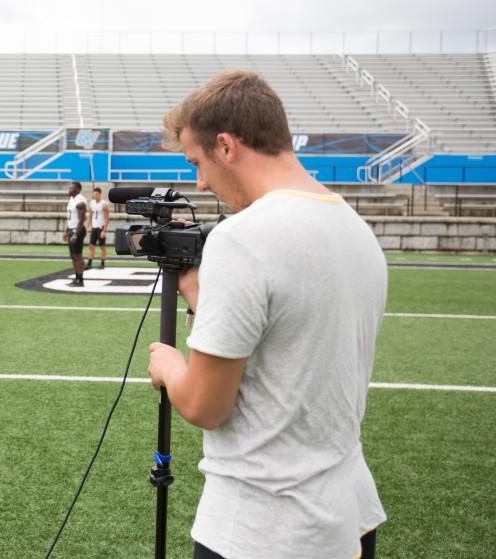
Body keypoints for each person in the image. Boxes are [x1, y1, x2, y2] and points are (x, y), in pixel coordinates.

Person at [146, 71, 386, 559]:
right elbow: (286, 343)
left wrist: (170, 367)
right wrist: (196, 290)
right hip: (348, 514)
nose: (200, 181)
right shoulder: (353, 226)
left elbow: (205, 407)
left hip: (263, 527)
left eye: (197, 162)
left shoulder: (243, 237)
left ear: (227, 147)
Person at [63, 181, 87, 287]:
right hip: (71, 229)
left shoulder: (80, 201)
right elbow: (71, 218)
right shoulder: (72, 199)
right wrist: (66, 231)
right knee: (73, 256)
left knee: (78, 255)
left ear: (78, 189)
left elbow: (82, 219)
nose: (69, 190)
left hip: (78, 230)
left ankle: (81, 279)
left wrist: (75, 234)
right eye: (69, 188)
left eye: (71, 188)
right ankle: (76, 277)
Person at [85, 186, 110, 270]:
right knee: (91, 245)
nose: (95, 196)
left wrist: (104, 230)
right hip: (94, 227)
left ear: (100, 194)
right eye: (94, 194)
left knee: (102, 246)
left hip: (101, 227)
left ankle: (102, 263)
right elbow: (90, 215)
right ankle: (89, 263)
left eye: (96, 194)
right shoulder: (92, 203)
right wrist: (87, 226)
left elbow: (107, 218)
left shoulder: (104, 204)